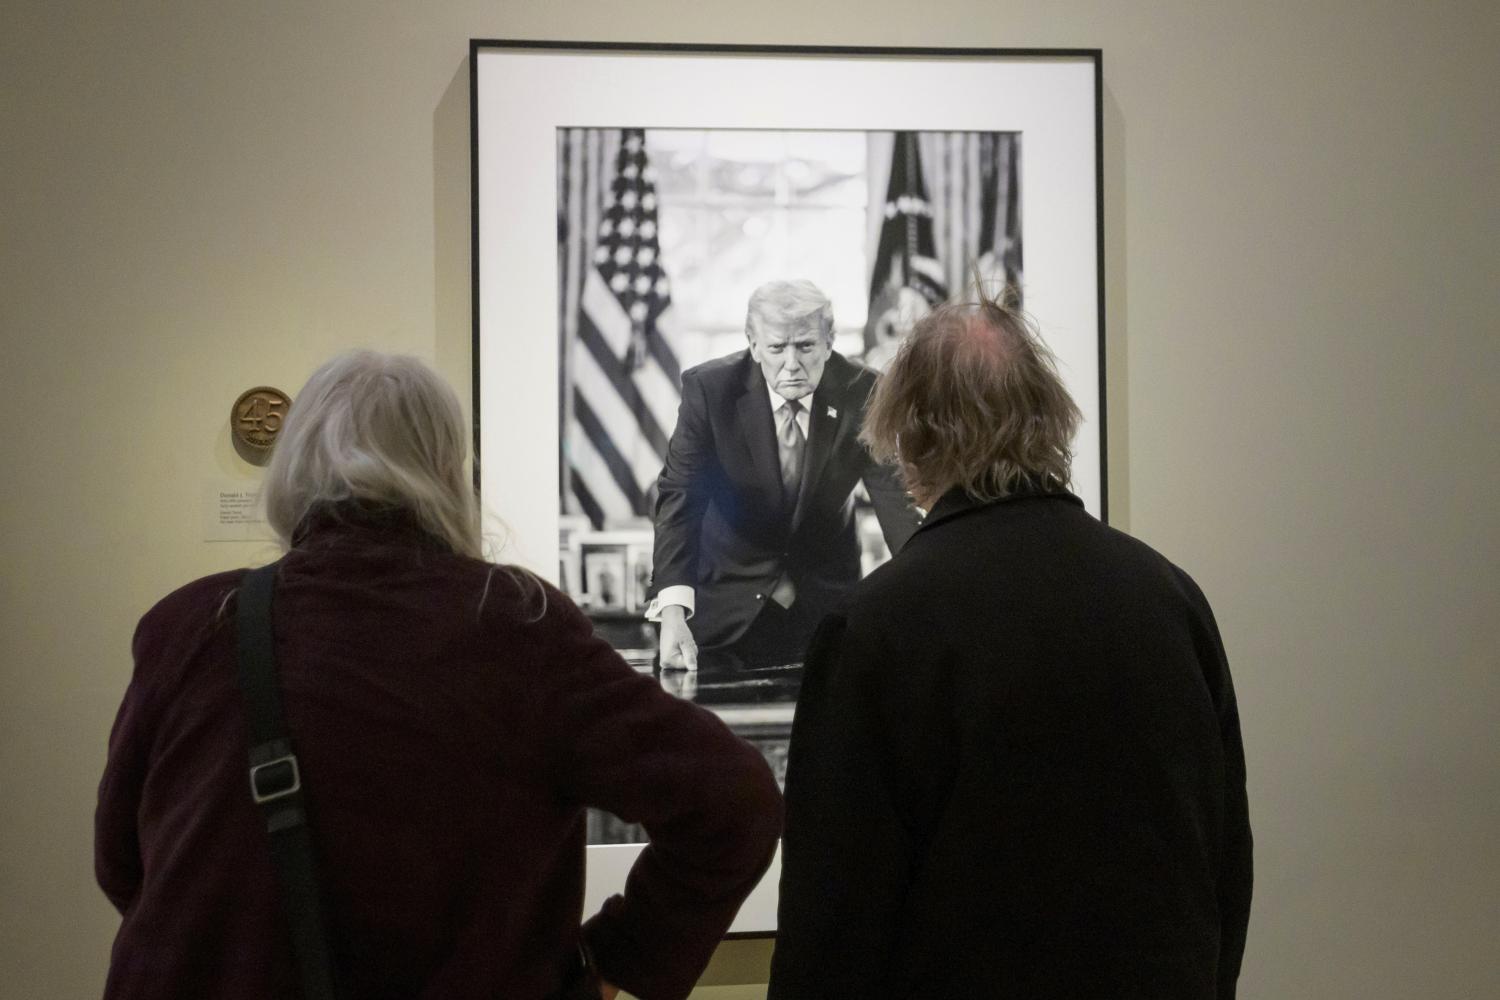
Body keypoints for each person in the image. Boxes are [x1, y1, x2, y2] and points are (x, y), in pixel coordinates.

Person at [95, 350, 783, 1000]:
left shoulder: (190, 625)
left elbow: (124, 863)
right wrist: (613, 960)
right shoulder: (516, 626)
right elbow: (734, 801)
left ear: (293, 467)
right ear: (452, 470)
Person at [768, 289, 1253, 998]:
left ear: (910, 438)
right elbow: (1225, 862)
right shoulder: (1169, 598)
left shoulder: (874, 626)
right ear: (1049, 421)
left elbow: (834, 917)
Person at [649, 279, 920, 669]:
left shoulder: (865, 391)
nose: (791, 364)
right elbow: (679, 498)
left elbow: (898, 505)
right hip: (725, 610)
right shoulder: (710, 390)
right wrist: (673, 612)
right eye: (777, 348)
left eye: (806, 346)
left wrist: (930, 597)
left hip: (827, 607)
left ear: (829, 341)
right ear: (754, 344)